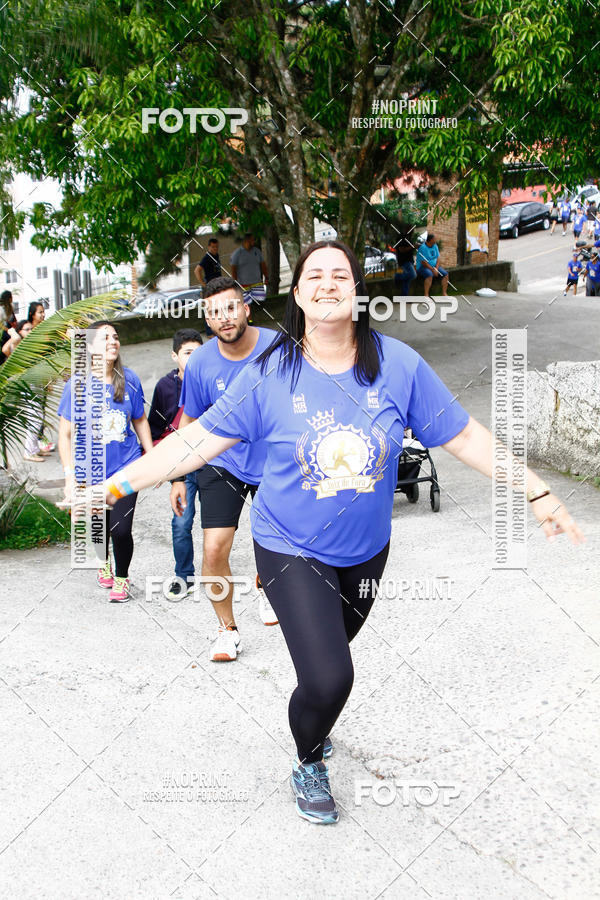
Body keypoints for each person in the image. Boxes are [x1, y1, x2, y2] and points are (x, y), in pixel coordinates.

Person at [94, 240, 584, 826]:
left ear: (356, 290)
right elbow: (192, 442)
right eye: (315, 276)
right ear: (298, 295)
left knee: (324, 667)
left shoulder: (398, 366)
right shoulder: (267, 374)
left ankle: (313, 714)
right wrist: (114, 486)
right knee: (331, 677)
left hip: (367, 553)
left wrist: (535, 488)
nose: (328, 284)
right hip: (287, 545)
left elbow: (465, 437)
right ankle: (308, 759)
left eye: (340, 275)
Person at [173, 276, 278, 659]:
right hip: (221, 460)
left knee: (278, 541)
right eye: (215, 312)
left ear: (246, 308)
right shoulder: (200, 363)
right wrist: (178, 477)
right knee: (214, 548)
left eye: (231, 307)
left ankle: (267, 585)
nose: (225, 317)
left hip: (273, 458)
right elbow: (189, 423)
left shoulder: (277, 347)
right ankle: (227, 629)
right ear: (207, 318)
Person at [58, 321, 153, 601]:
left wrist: (151, 457)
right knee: (98, 526)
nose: (112, 341)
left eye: (115, 336)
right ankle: (104, 561)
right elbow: (64, 435)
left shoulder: (130, 379)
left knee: (121, 529)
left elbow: (140, 420)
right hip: (91, 471)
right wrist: (69, 476)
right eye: (104, 337)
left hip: (126, 467)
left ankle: (121, 578)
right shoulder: (76, 386)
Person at [148, 328, 204, 600]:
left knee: (223, 526)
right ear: (174, 356)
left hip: (217, 463)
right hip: (183, 466)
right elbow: (155, 430)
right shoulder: (165, 388)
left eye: (198, 353)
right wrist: (167, 469)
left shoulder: (210, 379)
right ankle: (184, 576)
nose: (193, 359)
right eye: (187, 353)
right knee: (181, 523)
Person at [22, 301, 50, 462]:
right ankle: (29, 450)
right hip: (32, 378)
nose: (43, 314)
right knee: (34, 414)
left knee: (39, 414)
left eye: (43, 311)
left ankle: (34, 447)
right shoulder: (30, 332)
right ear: (32, 314)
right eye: (39, 312)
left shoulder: (42, 329)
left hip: (41, 378)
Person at [230, 233, 268, 309]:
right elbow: (233, 270)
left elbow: (263, 265)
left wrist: (266, 277)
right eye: (252, 240)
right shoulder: (237, 254)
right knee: (247, 305)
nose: (254, 242)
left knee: (260, 303)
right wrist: (235, 283)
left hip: (257, 283)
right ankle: (250, 321)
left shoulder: (257, 251)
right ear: (246, 241)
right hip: (244, 284)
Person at [415, 233, 449, 298]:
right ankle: (426, 295)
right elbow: (423, 262)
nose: (436, 240)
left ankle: (444, 293)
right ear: (430, 240)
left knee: (446, 274)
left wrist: (436, 268)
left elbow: (438, 258)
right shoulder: (423, 248)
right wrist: (433, 269)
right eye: (434, 239)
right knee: (429, 275)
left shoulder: (435, 246)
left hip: (434, 267)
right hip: (423, 267)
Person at [393, 230, 417, 295]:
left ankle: (404, 297)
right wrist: (413, 247)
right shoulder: (401, 238)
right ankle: (397, 277)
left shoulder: (409, 239)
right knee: (413, 275)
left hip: (408, 261)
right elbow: (401, 249)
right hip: (405, 262)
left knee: (406, 282)